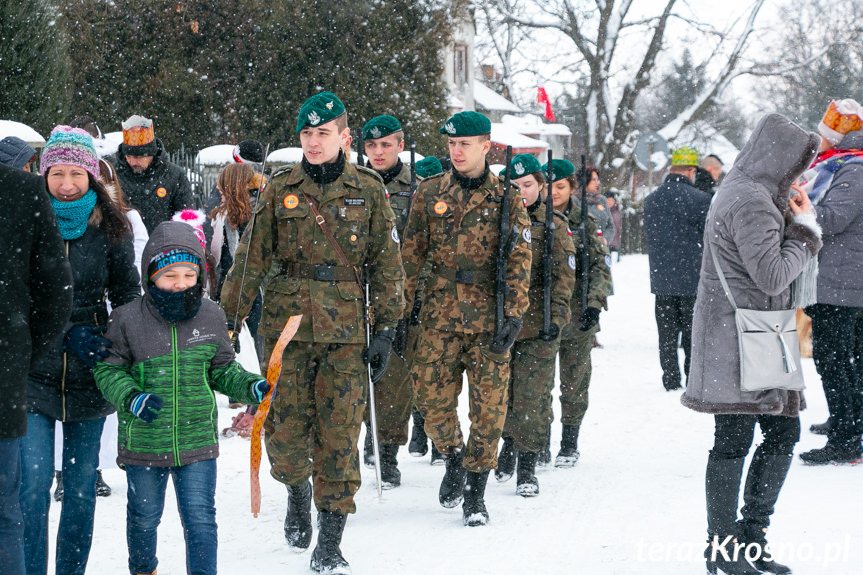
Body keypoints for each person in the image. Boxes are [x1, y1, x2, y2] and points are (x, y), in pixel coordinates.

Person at [219, 91, 405, 573]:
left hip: (346, 334)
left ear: (343, 136)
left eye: (323, 133)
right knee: (283, 430)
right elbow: (250, 261)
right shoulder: (280, 188)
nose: (314, 141)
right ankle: (296, 489)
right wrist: (229, 320)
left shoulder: (367, 189)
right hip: (286, 332)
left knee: (340, 435)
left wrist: (384, 329)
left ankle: (331, 536)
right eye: (307, 134)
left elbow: (387, 266)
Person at [682, 113, 822, 575]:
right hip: (743, 333)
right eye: (799, 165)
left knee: (776, 433)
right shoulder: (752, 201)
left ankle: (748, 539)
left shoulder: (748, 191)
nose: (800, 175)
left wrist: (791, 213)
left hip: (759, 330)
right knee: (736, 439)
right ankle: (726, 546)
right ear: (779, 159)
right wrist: (805, 229)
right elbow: (773, 275)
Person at [93, 220, 268, 575]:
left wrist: (250, 386)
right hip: (145, 440)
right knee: (144, 519)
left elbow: (221, 369)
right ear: (150, 275)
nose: (180, 283)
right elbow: (107, 370)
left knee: (201, 521)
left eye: (189, 275)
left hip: (196, 440)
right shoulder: (128, 319)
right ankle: (144, 570)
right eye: (170, 275)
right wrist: (131, 397)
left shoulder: (211, 315)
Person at [401, 111, 532, 526]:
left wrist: (514, 314)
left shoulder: (507, 198)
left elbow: (519, 258)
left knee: (489, 411)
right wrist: (399, 311)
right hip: (439, 316)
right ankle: (453, 456)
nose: (456, 151)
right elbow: (410, 255)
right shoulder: (429, 192)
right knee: (431, 401)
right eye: (451, 144)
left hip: (489, 317)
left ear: (486, 146)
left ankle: (476, 490)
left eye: (465, 144)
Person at [21, 126, 140, 575]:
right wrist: (62, 331)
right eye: (58, 173)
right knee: (31, 488)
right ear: (44, 173)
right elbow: (14, 296)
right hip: (32, 371)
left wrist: (123, 344)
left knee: (79, 490)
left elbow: (127, 295)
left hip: (91, 373)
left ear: (92, 176)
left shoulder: (111, 227)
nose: (67, 183)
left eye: (76, 173)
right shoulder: (25, 221)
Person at [0, 163, 72, 575]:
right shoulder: (23, 189)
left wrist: (18, 356)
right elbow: (54, 291)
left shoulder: (21, 190)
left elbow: (54, 291)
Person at [494, 154, 576, 496]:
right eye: (513, 186)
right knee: (500, 396)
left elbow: (563, 277)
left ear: (541, 186)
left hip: (537, 324)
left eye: (527, 185)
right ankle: (507, 446)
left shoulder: (553, 224)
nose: (520, 192)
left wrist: (556, 319)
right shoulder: (496, 218)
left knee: (533, 397)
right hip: (501, 323)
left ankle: (527, 465)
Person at [797, 99, 863, 464]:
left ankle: (847, 438)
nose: (818, 143)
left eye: (824, 137)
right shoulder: (843, 165)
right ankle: (850, 423)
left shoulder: (854, 169)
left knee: (834, 360)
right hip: (846, 281)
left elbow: (832, 218)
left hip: (843, 284)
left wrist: (801, 205)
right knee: (849, 359)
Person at [359, 114, 422, 486]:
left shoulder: (418, 188)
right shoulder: (352, 182)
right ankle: (367, 434)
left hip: (403, 296)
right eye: (371, 145)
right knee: (356, 372)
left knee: (395, 377)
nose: (378, 152)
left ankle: (387, 451)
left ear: (400, 145)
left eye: (386, 145)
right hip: (355, 295)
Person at [544, 159, 612, 467]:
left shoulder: (585, 221)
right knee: (537, 385)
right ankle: (537, 441)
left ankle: (569, 442)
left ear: (572, 188)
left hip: (577, 313)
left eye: (560, 187)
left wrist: (595, 305)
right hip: (541, 315)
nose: (553, 193)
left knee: (574, 383)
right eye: (548, 186)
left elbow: (600, 267)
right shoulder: (530, 216)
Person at [643, 146, 711, 391]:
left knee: (667, 336)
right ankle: (692, 379)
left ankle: (670, 379)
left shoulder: (651, 200)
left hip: (662, 280)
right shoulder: (701, 200)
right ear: (691, 171)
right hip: (692, 280)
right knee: (693, 336)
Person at [111, 115, 193, 233]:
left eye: (138, 157)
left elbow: (186, 219)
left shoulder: (175, 175)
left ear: (152, 154)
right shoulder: (114, 174)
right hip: (126, 246)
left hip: (164, 247)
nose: (132, 162)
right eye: (128, 156)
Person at [573, 164, 615, 245]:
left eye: (597, 180)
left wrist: (605, 239)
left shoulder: (602, 200)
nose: (597, 183)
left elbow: (610, 226)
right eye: (594, 180)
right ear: (585, 180)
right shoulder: (575, 200)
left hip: (600, 250)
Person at [604, 189, 622, 260]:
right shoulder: (603, 210)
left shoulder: (617, 211)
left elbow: (619, 225)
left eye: (611, 200)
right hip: (604, 238)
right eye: (608, 200)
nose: (610, 202)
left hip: (614, 238)